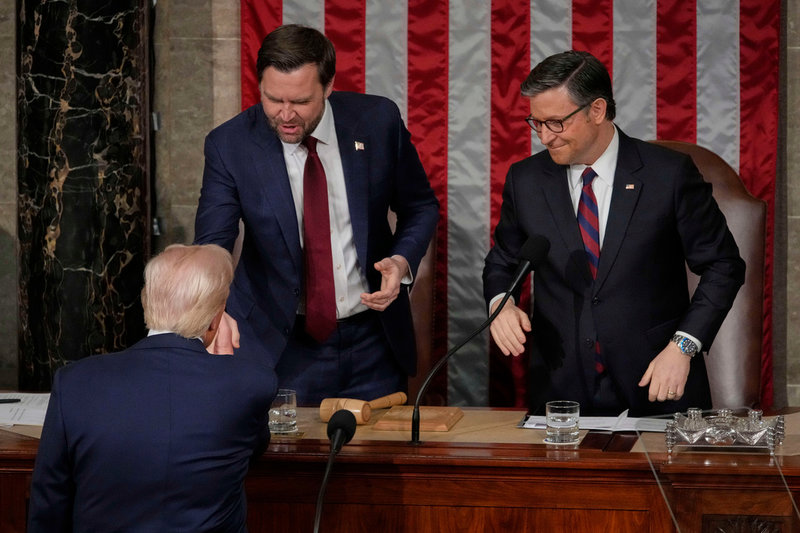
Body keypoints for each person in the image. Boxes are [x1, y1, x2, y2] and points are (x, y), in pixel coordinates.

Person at [483, 51, 745, 417]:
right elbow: (504, 260)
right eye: (536, 123)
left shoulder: (667, 176)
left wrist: (683, 347)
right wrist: (501, 301)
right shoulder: (525, 180)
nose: (544, 136)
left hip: (657, 385)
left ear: (597, 110)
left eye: (556, 122)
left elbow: (723, 266)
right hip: (562, 392)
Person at [194, 24, 439, 405]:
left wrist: (401, 259)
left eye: (301, 101)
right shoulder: (230, 145)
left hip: (373, 339)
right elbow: (212, 243)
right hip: (279, 343)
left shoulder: (377, 121)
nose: (286, 115)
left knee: (375, 460)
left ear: (328, 87)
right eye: (273, 99)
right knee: (288, 461)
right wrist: (211, 308)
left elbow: (420, 206)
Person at [28, 244, 277, 533]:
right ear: (215, 317)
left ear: (145, 302)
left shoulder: (74, 383)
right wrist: (225, 370)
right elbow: (254, 445)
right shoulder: (251, 383)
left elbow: (48, 506)